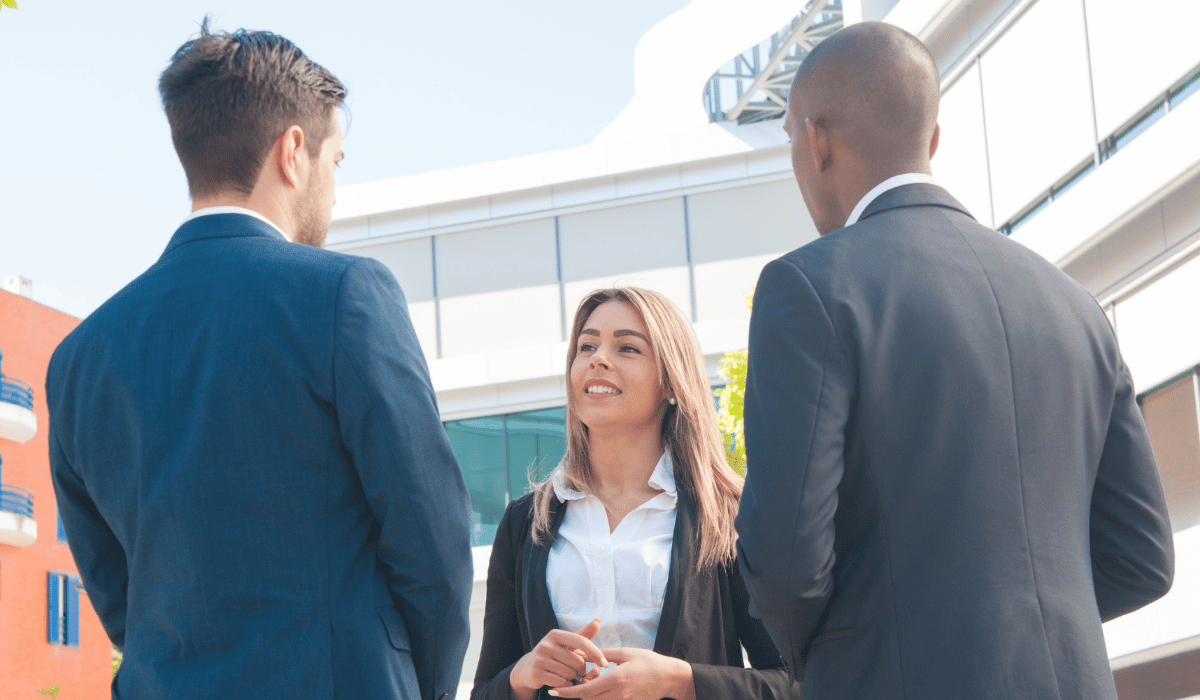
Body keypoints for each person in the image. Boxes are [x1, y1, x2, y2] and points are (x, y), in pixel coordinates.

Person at [734, 21, 1175, 700]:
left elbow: (785, 564)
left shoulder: (809, 288)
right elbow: (1141, 559)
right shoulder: (1074, 304)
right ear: (932, 140)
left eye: (791, 137)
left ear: (816, 141)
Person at [46, 22, 472, 700]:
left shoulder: (76, 360)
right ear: (293, 151)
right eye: (336, 163)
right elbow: (435, 554)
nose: (332, 192)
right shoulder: (345, 294)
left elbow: (120, 598)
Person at [471, 287, 800, 700]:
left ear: (670, 383)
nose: (598, 358)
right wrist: (520, 677)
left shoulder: (729, 517)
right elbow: (484, 691)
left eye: (627, 348)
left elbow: (797, 684)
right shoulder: (524, 524)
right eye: (586, 345)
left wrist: (682, 681)